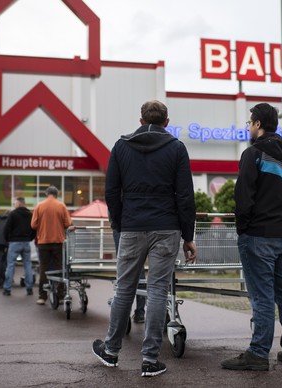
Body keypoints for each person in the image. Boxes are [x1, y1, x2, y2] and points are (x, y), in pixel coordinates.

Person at [92, 100, 197, 378]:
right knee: (158, 290)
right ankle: (150, 359)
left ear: (140, 120)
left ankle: (111, 351)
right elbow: (185, 196)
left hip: (132, 226)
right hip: (167, 227)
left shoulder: (121, 146)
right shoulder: (176, 148)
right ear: (167, 121)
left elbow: (112, 191)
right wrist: (188, 236)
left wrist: (119, 222)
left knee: (124, 288)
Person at [221, 103, 282, 371]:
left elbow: (243, 197)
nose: (248, 127)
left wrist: (243, 229)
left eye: (249, 122)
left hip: (257, 236)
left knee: (262, 297)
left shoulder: (253, 153)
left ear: (257, 124)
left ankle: (258, 353)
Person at [31, 186, 71, 305]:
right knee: (60, 268)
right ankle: (61, 295)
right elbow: (68, 223)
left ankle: (42, 296)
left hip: (43, 242)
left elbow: (33, 225)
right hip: (58, 242)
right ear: (56, 194)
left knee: (44, 268)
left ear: (46, 194)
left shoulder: (39, 206)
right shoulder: (61, 206)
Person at [3, 197, 36, 296]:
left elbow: (6, 228)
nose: (14, 205)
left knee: (11, 265)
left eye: (15, 203)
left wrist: (7, 239)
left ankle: (7, 289)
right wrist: (30, 238)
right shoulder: (30, 214)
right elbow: (34, 228)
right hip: (26, 242)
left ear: (19, 203)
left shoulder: (13, 214)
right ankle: (29, 288)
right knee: (27, 265)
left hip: (14, 242)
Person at [112, 228, 146, 323]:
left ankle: (123, 315)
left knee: (124, 268)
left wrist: (115, 225)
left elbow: (113, 214)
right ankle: (140, 313)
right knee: (140, 268)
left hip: (123, 227)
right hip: (142, 228)